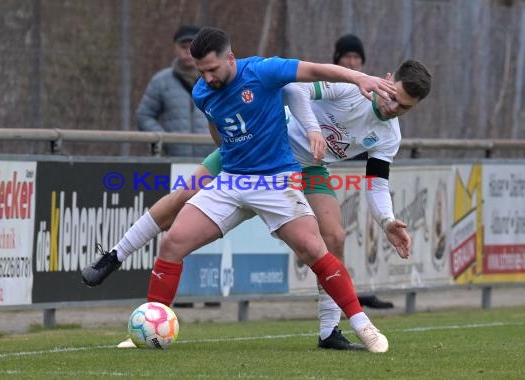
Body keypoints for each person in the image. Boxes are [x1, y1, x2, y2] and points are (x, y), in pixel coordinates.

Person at [86, 26, 398, 352]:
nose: (207, 77)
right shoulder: (201, 92)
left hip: (276, 180)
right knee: (173, 242)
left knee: (316, 249)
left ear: (230, 58)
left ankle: (362, 326)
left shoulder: (262, 71)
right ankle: (147, 328)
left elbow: (314, 70)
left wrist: (358, 79)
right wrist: (232, 152)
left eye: (213, 69)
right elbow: (216, 124)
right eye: (201, 71)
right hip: (233, 179)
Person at [331, 34, 394, 310]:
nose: (395, 110)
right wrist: (310, 128)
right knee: (182, 196)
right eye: (348, 57)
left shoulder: (390, 134)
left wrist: (388, 220)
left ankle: (335, 322)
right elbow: (297, 90)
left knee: (334, 237)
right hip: (265, 149)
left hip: (311, 169)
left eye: (358, 58)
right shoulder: (344, 87)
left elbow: (377, 184)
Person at [135, 25, 214, 157]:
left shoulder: (217, 79)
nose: (188, 51)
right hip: (173, 160)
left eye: (193, 47)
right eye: (183, 47)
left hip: (212, 161)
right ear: (175, 48)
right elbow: (144, 116)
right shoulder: (161, 81)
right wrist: (164, 139)